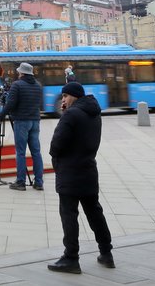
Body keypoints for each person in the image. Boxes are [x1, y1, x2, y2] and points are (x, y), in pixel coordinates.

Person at [47, 82, 114, 274]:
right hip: (88, 169)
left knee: (69, 215)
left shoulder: (71, 115)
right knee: (94, 212)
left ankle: (71, 257)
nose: (63, 100)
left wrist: (65, 115)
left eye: (65, 97)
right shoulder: (94, 112)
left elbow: (56, 144)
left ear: (73, 97)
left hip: (69, 171)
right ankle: (106, 252)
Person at [0, 63, 44, 191]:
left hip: (21, 121)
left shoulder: (17, 85)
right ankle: (39, 182)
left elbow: (11, 104)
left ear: (21, 73)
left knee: (20, 152)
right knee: (36, 152)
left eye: (19, 72)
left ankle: (21, 182)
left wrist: (1, 115)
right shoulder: (38, 85)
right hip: (35, 121)